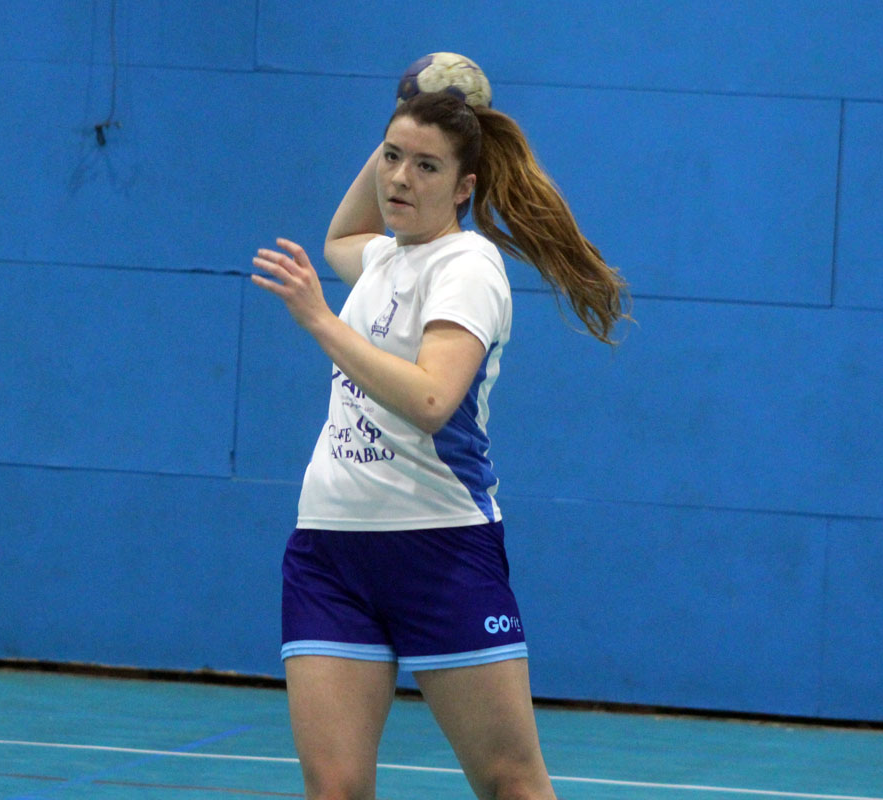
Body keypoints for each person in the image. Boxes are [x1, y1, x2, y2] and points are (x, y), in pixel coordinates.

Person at [251, 90, 628, 800]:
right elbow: (342, 235)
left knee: (511, 783)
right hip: (330, 549)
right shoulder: (382, 259)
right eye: (391, 157)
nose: (400, 178)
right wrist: (411, 107)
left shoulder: (467, 265)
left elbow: (431, 399)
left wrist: (322, 321)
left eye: (426, 167)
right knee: (333, 789)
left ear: (464, 187)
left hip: (438, 546)